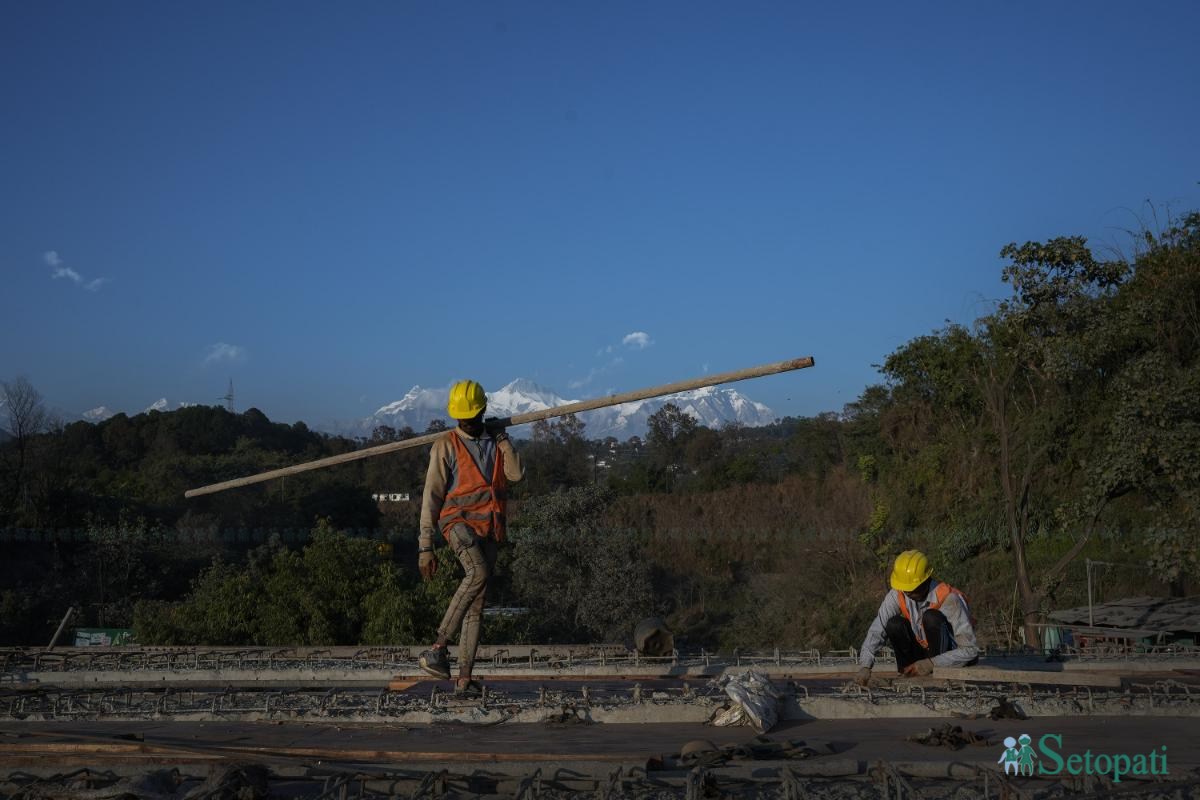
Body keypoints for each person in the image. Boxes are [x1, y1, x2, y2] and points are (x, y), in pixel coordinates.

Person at [417, 379, 524, 695]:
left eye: (471, 417)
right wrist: (426, 546)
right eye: (461, 418)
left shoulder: (495, 441)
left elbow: (516, 475)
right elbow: (431, 496)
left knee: (476, 605)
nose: (466, 422)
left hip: (490, 529)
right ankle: (437, 648)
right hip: (458, 525)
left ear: (482, 412)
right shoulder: (446, 445)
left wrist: (503, 440)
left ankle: (464, 680)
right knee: (477, 572)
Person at [855, 550, 978, 685]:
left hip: (948, 657)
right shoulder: (899, 593)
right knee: (894, 624)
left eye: (913, 589)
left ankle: (936, 675)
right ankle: (907, 673)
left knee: (931, 617)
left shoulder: (950, 599)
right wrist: (865, 665)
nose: (909, 593)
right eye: (906, 590)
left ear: (926, 580)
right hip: (923, 654)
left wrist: (932, 664)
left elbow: (970, 650)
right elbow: (878, 628)